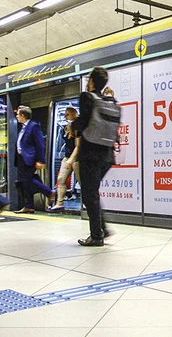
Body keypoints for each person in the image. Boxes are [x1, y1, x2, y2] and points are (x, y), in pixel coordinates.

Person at [72, 67, 116, 246]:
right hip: (107, 155)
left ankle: (97, 236)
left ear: (91, 81)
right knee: (93, 193)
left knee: (90, 194)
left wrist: (72, 125)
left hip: (90, 153)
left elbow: (83, 121)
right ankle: (102, 229)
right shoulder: (110, 100)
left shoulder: (87, 97)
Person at [14, 105, 54, 214]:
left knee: (28, 179)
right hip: (22, 159)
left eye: (18, 114)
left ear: (23, 115)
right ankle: (29, 206)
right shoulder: (23, 127)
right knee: (25, 182)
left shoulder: (33, 126)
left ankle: (49, 192)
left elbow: (40, 144)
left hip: (30, 158)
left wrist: (40, 160)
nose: (16, 116)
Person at [49, 107, 79, 212]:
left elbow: (78, 146)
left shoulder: (78, 127)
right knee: (61, 179)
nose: (66, 117)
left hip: (76, 158)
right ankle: (59, 203)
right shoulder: (66, 128)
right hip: (67, 156)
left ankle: (86, 204)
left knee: (82, 182)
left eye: (68, 114)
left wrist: (71, 159)